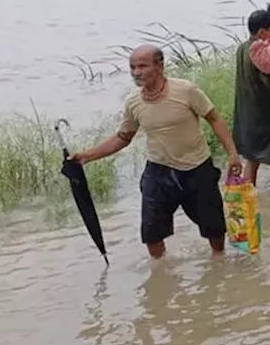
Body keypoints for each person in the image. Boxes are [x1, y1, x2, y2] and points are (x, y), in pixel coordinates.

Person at [73, 45, 242, 259]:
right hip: (158, 172)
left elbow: (214, 119)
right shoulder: (133, 102)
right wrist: (87, 156)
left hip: (197, 168)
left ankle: (218, 263)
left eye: (142, 66)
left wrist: (233, 153)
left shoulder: (186, 90)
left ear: (160, 66)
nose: (136, 72)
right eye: (132, 67)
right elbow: (123, 137)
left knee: (214, 228)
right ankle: (161, 273)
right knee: (151, 233)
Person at [232, 9, 270, 187]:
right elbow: (268, 83)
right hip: (267, 114)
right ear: (260, 32)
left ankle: (252, 199)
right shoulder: (261, 53)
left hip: (247, 113)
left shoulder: (242, 48)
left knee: (252, 159)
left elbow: (253, 77)